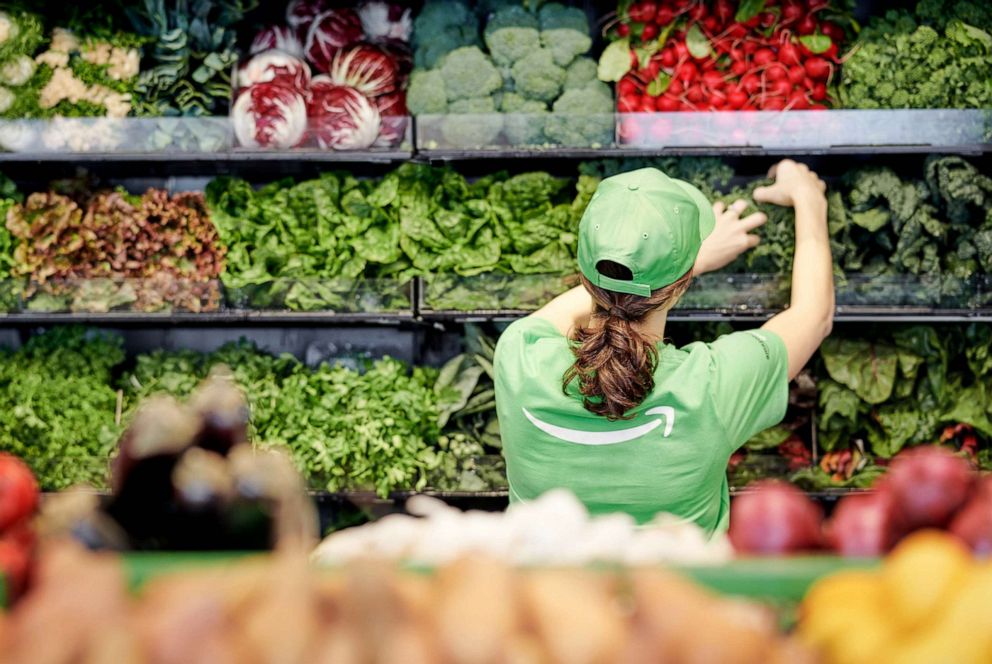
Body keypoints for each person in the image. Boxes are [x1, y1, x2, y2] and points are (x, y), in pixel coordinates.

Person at [493, 160, 832, 535]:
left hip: (544, 592)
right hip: (680, 591)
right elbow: (814, 315)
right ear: (682, 286)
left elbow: (564, 311)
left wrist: (683, 267)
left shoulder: (517, 357)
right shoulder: (712, 385)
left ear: (583, 271)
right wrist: (809, 198)